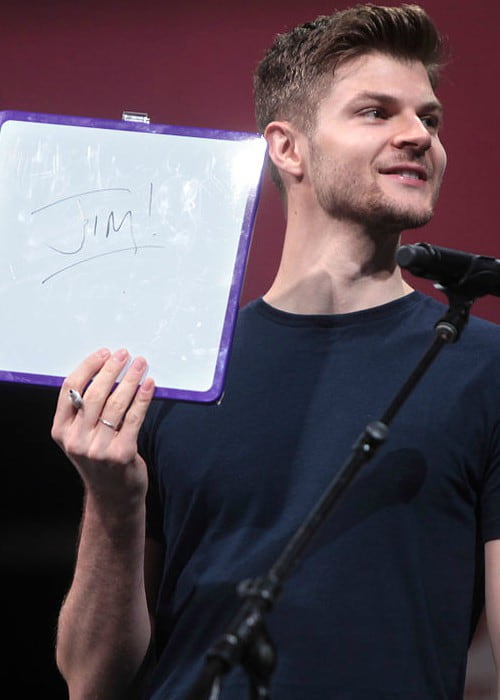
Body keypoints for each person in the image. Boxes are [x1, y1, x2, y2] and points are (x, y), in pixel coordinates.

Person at [52, 4, 500, 699]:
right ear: (287, 148)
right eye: (377, 112)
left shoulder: (483, 366)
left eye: (430, 119)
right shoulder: (178, 365)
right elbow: (90, 680)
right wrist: (112, 504)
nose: (419, 136)